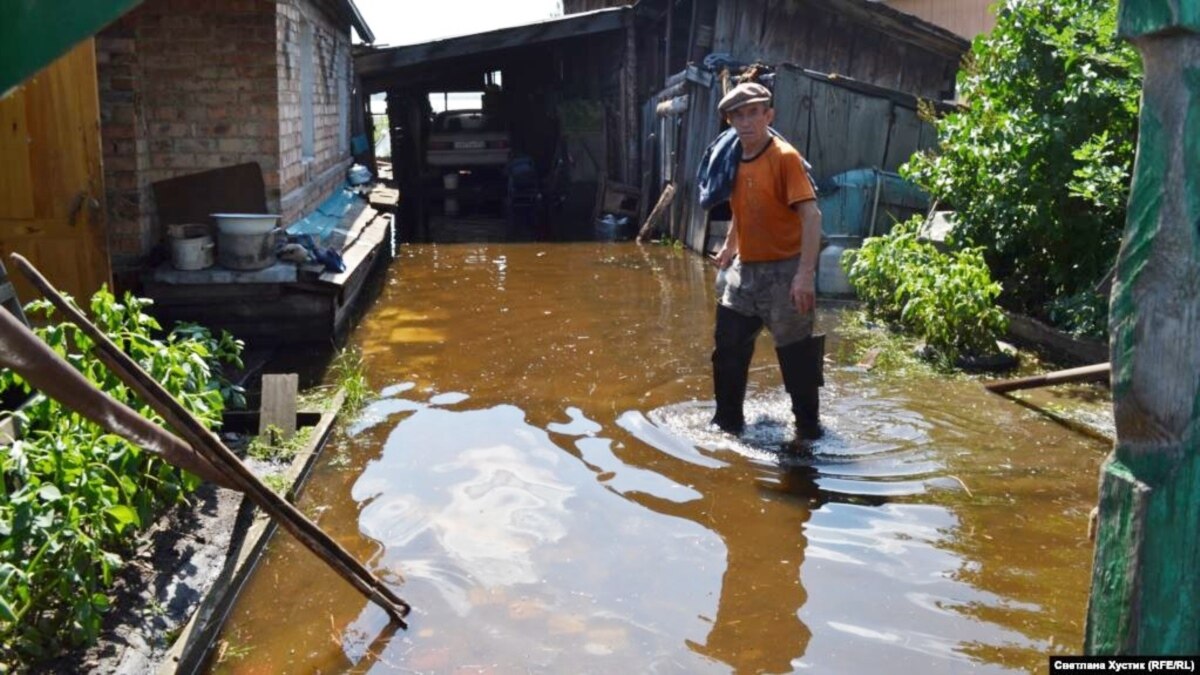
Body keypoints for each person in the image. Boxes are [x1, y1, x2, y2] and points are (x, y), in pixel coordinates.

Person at [708, 81, 825, 446]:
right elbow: (744, 210)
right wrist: (729, 248)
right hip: (746, 271)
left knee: (797, 359)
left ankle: (808, 432)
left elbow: (812, 217)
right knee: (727, 349)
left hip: (786, 272)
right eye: (738, 115)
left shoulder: (784, 157)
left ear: (768, 115)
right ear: (730, 121)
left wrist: (805, 275)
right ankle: (727, 425)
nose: (746, 122)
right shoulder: (732, 157)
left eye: (754, 113)